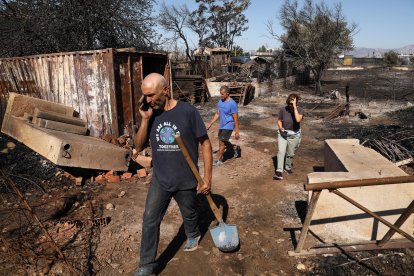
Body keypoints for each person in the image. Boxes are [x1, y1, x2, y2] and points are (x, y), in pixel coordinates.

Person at [133, 73, 213, 276]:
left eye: (151, 95)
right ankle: (147, 266)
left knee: (189, 213)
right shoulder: (151, 113)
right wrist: (144, 120)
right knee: (150, 219)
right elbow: (138, 145)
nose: (148, 100)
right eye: (145, 96)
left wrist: (207, 178)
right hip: (160, 178)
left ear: (166, 90)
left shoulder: (188, 112)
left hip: (186, 178)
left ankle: (193, 233)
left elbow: (205, 144)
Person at [206, 85, 240, 166]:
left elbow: (235, 118)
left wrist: (237, 131)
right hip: (222, 125)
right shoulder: (220, 102)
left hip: (229, 125)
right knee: (222, 140)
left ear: (227, 94)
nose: (221, 96)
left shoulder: (232, 104)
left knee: (221, 143)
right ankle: (234, 148)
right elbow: (218, 113)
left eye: (222, 94)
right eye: (220, 94)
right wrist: (210, 123)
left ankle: (219, 160)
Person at [273, 93, 304, 180]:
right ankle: (279, 171)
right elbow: (279, 120)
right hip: (283, 133)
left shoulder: (300, 110)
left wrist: (294, 107)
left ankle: (287, 167)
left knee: (290, 154)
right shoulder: (283, 110)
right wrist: (281, 128)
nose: (290, 105)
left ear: (296, 102)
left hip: (294, 134)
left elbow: (298, 120)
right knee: (281, 151)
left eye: (292, 103)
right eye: (289, 103)